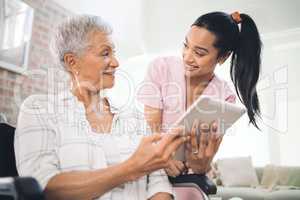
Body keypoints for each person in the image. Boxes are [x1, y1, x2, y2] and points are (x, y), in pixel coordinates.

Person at [14, 15, 193, 200]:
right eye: (105, 53)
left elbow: (158, 184)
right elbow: (43, 187)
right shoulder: (39, 110)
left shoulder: (134, 118)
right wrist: (131, 168)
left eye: (113, 53)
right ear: (72, 62)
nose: (116, 62)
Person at [138, 11, 262, 178]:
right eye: (186, 46)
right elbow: (151, 131)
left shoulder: (225, 98)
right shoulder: (161, 68)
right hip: (154, 169)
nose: (187, 57)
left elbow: (207, 154)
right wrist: (164, 159)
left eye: (199, 53)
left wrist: (200, 165)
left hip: (192, 177)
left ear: (223, 57)